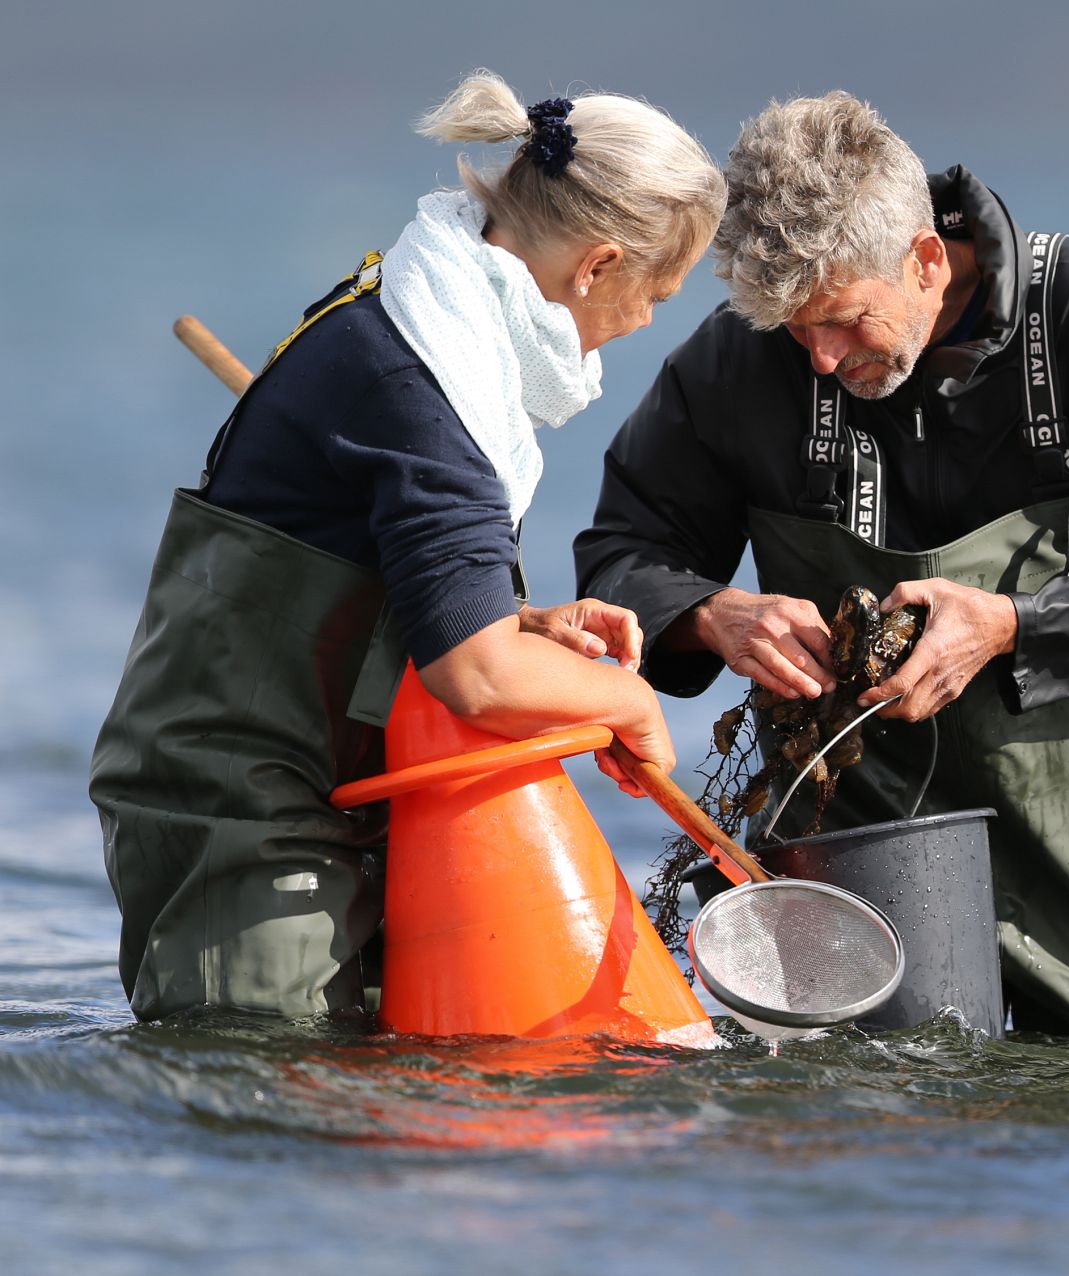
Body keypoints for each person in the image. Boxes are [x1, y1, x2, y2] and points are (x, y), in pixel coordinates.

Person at [574, 92, 1069, 1037]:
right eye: (792, 329)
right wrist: (708, 613)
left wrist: (1013, 626)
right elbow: (623, 552)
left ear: (927, 259)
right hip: (848, 858)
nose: (818, 360)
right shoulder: (741, 362)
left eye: (845, 320)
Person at [90, 71, 725, 1022]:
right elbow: (476, 675)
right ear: (597, 265)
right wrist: (628, 701)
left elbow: (412, 582)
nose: (642, 323)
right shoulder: (428, 384)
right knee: (267, 1095)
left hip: (344, 785)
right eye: (656, 294)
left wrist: (519, 617)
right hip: (238, 800)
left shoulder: (419, 311)